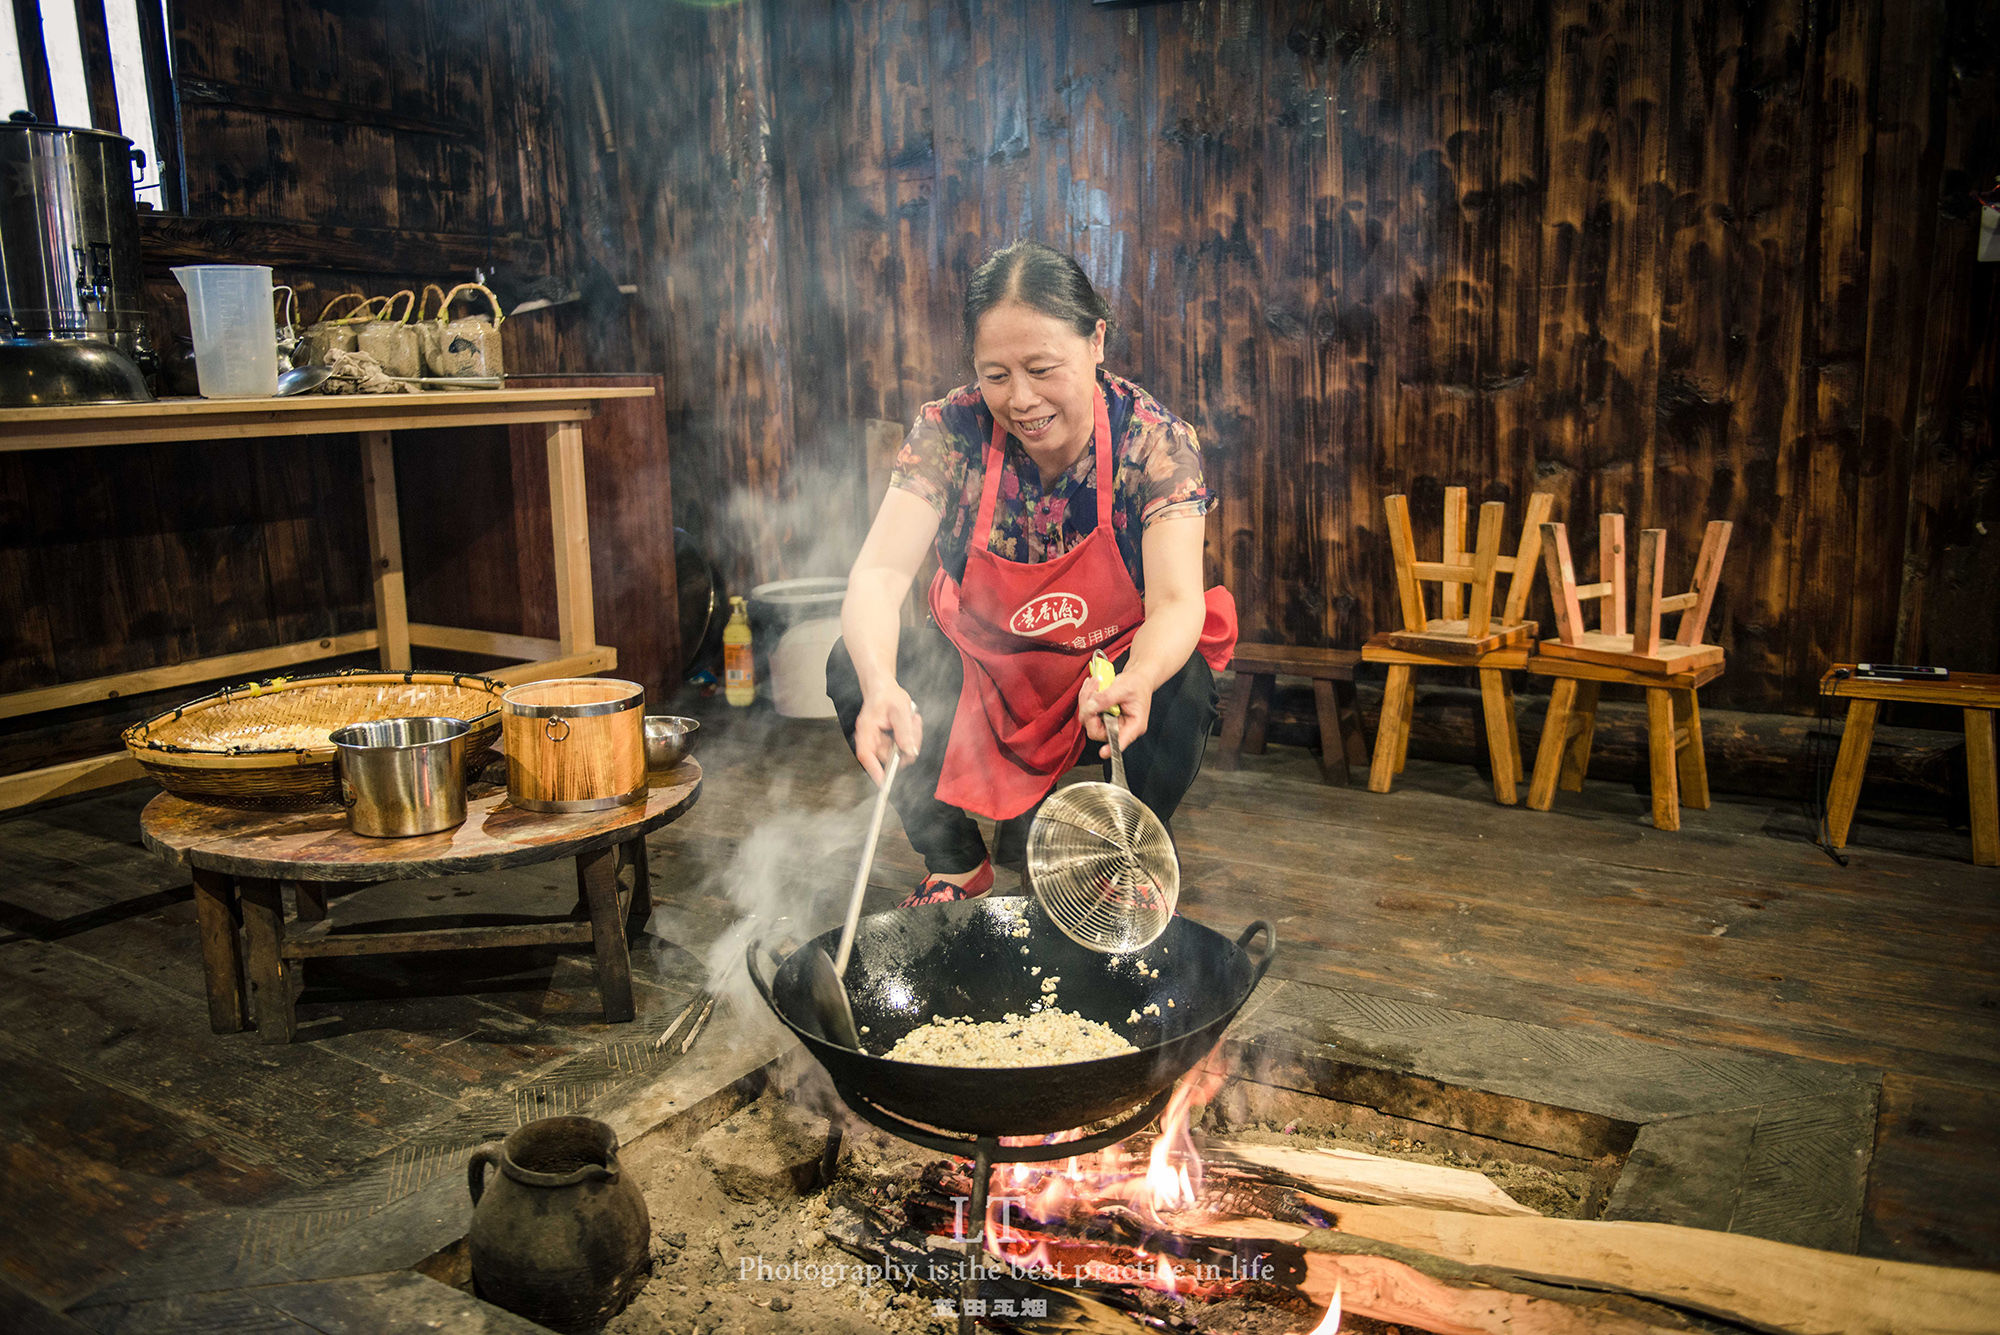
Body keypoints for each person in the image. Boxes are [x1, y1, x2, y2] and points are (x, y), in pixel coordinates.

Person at [826, 240, 1237, 908]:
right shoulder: (950, 430)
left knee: (1182, 681)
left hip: (1099, 678)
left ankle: (1110, 868)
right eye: (996, 374)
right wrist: (878, 684)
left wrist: (1134, 679)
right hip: (986, 672)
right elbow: (876, 574)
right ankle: (956, 864)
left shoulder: (1152, 440)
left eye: (1043, 368)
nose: (1021, 399)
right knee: (853, 661)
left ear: (1096, 339)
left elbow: (1176, 603)